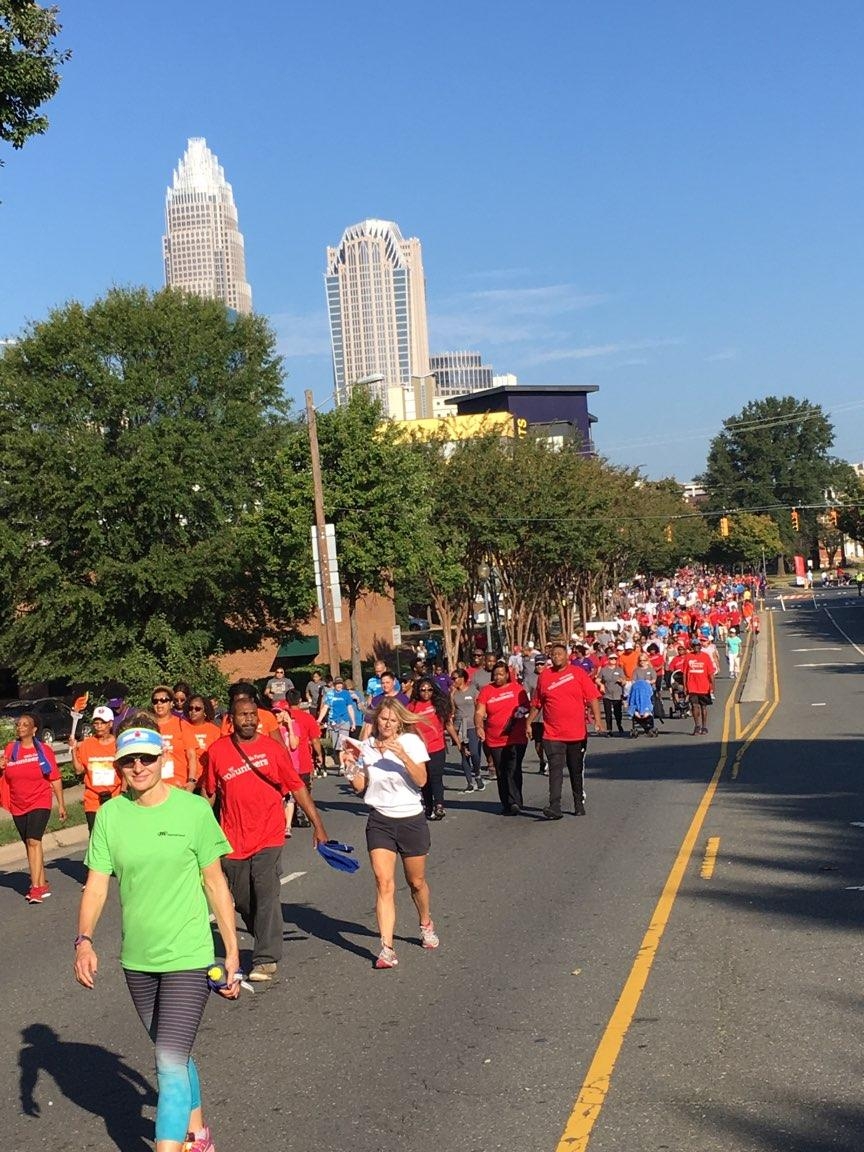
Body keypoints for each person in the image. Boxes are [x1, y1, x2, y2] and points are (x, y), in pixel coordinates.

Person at [74, 719, 239, 1152]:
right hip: (138, 960)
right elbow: (96, 885)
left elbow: (216, 884)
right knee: (174, 1054)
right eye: (129, 760)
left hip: (189, 954)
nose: (139, 767)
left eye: (147, 758)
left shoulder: (193, 810)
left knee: (166, 1063)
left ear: (163, 759)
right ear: (120, 765)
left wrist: (233, 954)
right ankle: (198, 1134)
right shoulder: (111, 815)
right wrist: (84, 940)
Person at [200, 695, 328, 981]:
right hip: (232, 838)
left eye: (252, 715)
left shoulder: (272, 749)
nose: (248, 720)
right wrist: (194, 828)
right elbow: (208, 793)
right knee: (244, 900)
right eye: (242, 715)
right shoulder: (218, 751)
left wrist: (318, 825)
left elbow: (296, 787)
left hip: (269, 834)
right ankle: (264, 937)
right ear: (231, 720)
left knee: (267, 892)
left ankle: (265, 958)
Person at [340, 698, 438, 969]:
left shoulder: (411, 743)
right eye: (383, 719)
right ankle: (386, 949)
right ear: (376, 719)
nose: (387, 724)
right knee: (384, 883)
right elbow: (360, 787)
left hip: (411, 819)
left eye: (393, 720)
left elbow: (421, 780)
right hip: (380, 819)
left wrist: (402, 755)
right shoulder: (366, 747)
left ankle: (425, 922)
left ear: (400, 723)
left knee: (416, 881)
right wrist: (349, 766)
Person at [527, 641, 604, 820]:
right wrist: (528, 722)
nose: (556, 657)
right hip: (552, 733)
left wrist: (598, 721)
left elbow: (592, 697)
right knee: (555, 768)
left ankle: (578, 802)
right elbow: (537, 703)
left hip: (576, 733)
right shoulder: (545, 676)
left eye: (559, 654)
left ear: (567, 656)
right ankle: (555, 805)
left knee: (575, 768)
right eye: (553, 655)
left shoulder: (578, 673)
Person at [0, 713, 66, 902]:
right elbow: (5, 773)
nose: (20, 728)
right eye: (18, 725)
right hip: (18, 803)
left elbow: (54, 778)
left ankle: (36, 888)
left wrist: (61, 804)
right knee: (30, 845)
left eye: (25, 725)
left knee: (33, 841)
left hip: (40, 800)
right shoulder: (11, 749)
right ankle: (42, 882)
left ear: (34, 729)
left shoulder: (43, 750)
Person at [474, 662, 530, 815]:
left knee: (513, 768)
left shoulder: (517, 689)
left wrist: (519, 712)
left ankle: (515, 801)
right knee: (501, 770)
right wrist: (479, 726)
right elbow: (479, 712)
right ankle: (506, 802)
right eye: (495, 674)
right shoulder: (487, 691)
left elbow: (527, 707)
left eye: (501, 674)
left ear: (507, 674)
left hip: (516, 737)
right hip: (495, 738)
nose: (497, 677)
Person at [408, 676, 462, 820]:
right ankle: (428, 807)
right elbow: (407, 726)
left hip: (437, 747)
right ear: (418, 691)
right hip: (420, 750)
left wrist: (458, 742)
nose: (426, 692)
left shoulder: (438, 704)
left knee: (436, 777)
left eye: (429, 690)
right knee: (425, 781)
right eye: (423, 690)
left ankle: (439, 805)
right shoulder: (412, 706)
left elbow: (448, 725)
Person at [71, 705, 120, 834]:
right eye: (96, 723)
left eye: (102, 723)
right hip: (93, 800)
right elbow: (78, 770)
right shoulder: (87, 744)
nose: (99, 726)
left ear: (110, 724)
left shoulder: (118, 744)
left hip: (115, 797)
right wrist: (74, 750)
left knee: (114, 836)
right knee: (95, 836)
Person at [150, 686, 198, 790]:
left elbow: (191, 756)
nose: (159, 704)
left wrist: (191, 781)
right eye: (155, 701)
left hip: (178, 785)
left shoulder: (181, 725)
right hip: (153, 786)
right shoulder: (147, 726)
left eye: (163, 700)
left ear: (171, 703)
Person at [450, 668, 485, 792]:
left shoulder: (473, 691)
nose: (453, 681)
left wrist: (480, 724)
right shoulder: (453, 694)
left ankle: (478, 775)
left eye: (455, 678)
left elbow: (479, 707)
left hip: (472, 725)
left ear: (462, 678)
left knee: (474, 753)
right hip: (460, 726)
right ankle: (469, 782)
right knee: (464, 755)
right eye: (452, 678)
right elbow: (452, 711)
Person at [316, 675, 358, 770]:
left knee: (342, 743)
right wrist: (319, 719)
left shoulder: (346, 694)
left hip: (344, 721)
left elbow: (350, 708)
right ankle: (341, 763)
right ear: (334, 685)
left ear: (342, 685)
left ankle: (343, 765)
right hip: (333, 721)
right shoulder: (330, 694)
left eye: (340, 684)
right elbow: (325, 707)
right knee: (336, 745)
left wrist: (353, 722)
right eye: (337, 684)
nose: (339, 686)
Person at [360, 670, 410, 738]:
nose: (385, 685)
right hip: (380, 736)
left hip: (399, 735)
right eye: (383, 683)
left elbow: (408, 720)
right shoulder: (376, 700)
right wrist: (364, 743)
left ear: (394, 682)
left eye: (387, 682)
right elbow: (369, 723)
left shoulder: (403, 699)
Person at [183, 696, 221, 783]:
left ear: (205, 711)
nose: (193, 711)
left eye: (197, 709)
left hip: (206, 780)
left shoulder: (215, 730)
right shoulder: (182, 726)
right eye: (190, 708)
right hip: (187, 779)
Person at [682, 638, 715, 736]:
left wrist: (712, 686)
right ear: (692, 647)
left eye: (698, 646)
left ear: (700, 647)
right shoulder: (688, 657)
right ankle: (697, 726)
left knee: (703, 707)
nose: (696, 648)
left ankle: (704, 727)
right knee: (694, 706)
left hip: (704, 686)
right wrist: (685, 686)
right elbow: (684, 673)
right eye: (694, 646)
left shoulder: (706, 657)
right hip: (692, 686)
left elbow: (711, 674)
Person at [597, 652, 626, 735]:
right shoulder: (604, 669)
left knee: (617, 712)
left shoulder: (619, 670)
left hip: (617, 693)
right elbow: (598, 679)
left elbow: (624, 681)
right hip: (607, 693)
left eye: (615, 659)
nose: (613, 660)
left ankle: (619, 724)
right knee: (608, 712)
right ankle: (609, 729)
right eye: (611, 659)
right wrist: (601, 685)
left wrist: (621, 681)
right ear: (608, 660)